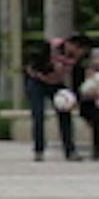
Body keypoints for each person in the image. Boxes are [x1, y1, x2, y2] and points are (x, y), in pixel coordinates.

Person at [22, 34, 85, 162]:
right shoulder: (52, 47)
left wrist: (74, 98)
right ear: (70, 44)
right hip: (37, 81)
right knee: (38, 114)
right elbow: (35, 64)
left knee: (65, 115)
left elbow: (77, 79)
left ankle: (70, 150)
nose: (78, 53)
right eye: (76, 48)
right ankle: (39, 150)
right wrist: (49, 67)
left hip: (56, 84)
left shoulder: (77, 59)